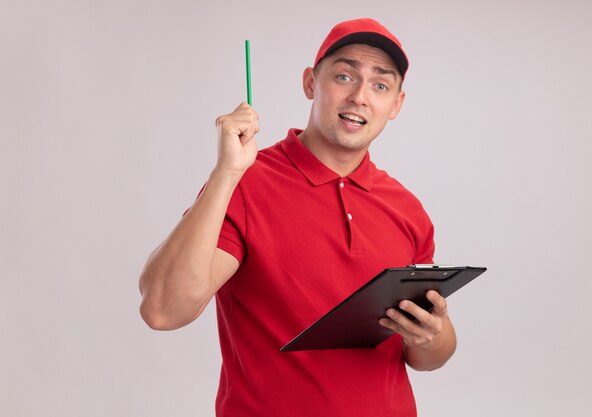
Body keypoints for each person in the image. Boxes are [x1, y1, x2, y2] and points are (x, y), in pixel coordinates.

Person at [139, 18, 457, 417]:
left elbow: (428, 358)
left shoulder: (406, 207)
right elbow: (164, 309)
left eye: (380, 84)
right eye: (344, 75)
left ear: (396, 104)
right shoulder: (246, 184)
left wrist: (431, 336)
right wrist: (226, 175)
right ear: (310, 83)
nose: (360, 96)